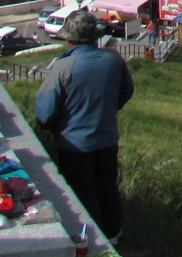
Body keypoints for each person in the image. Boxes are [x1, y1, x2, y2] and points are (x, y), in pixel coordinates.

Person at [38, 15, 131, 242]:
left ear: (68, 39)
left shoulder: (63, 67)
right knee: (107, 187)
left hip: (74, 144)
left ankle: (92, 241)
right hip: (107, 139)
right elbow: (127, 90)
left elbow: (44, 113)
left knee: (83, 192)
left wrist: (55, 127)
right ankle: (114, 235)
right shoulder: (114, 60)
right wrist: (109, 110)